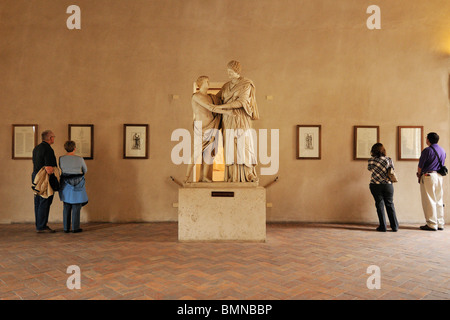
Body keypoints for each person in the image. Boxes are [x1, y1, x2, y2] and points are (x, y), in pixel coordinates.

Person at [193, 60, 260, 182]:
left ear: (237, 71)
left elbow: (241, 102)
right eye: (227, 71)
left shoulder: (246, 84)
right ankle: (232, 176)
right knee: (229, 147)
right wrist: (200, 101)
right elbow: (215, 98)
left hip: (239, 118)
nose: (228, 74)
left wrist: (219, 108)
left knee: (243, 144)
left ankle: (247, 174)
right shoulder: (226, 86)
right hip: (227, 120)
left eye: (230, 71)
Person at [185, 76, 233, 183]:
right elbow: (210, 107)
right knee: (197, 152)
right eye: (206, 81)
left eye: (208, 81)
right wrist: (227, 112)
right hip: (201, 128)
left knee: (210, 153)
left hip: (212, 126)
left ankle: (204, 176)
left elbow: (219, 101)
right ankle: (186, 177)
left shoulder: (211, 97)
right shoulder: (196, 96)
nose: (208, 83)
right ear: (200, 83)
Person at [417, 132, 446, 231]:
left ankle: (431, 224)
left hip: (428, 175)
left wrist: (419, 175)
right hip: (439, 176)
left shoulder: (427, 150)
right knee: (439, 200)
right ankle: (440, 223)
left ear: (428, 140)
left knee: (429, 200)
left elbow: (420, 165)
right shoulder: (442, 150)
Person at [367, 143, 399, 232]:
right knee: (390, 204)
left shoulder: (371, 160)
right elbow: (392, 169)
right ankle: (394, 226)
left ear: (373, 151)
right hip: (388, 185)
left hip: (375, 185)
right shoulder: (388, 159)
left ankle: (383, 226)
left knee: (379, 204)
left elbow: (369, 169)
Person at [59, 140, 88, 233]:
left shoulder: (61, 158)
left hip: (65, 182)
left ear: (65, 148)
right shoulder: (80, 159)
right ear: (75, 148)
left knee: (66, 205)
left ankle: (66, 228)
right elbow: (85, 170)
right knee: (76, 205)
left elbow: (61, 168)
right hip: (78, 182)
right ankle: (75, 228)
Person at [32, 130, 58, 233]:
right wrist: (54, 179)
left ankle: (39, 225)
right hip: (45, 178)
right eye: (53, 137)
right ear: (50, 138)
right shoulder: (48, 149)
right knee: (45, 201)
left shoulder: (36, 148)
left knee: (38, 201)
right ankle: (42, 226)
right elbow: (49, 168)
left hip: (36, 177)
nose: (54, 139)